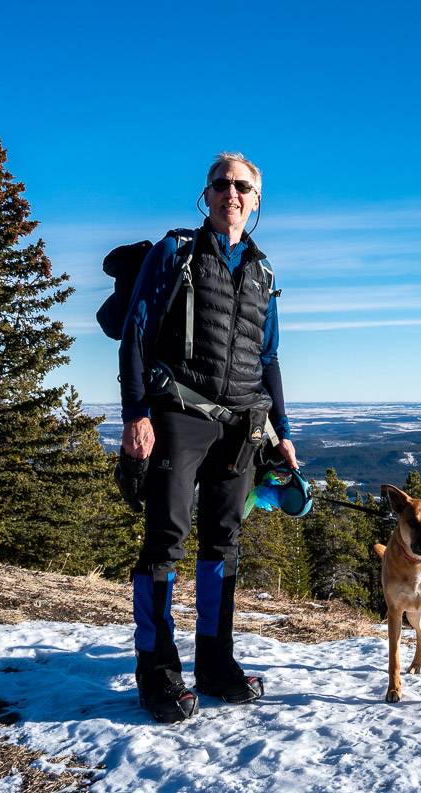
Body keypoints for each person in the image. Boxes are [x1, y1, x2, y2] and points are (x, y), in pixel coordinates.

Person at [119, 151, 298, 723]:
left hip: (243, 425)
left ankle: (215, 662)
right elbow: (135, 338)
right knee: (164, 539)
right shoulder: (176, 253)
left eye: (243, 186)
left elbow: (268, 359)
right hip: (180, 414)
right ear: (207, 193)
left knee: (223, 541)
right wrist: (135, 414)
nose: (232, 193)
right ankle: (157, 670)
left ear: (257, 199)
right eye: (221, 184)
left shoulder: (264, 272)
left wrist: (282, 433)